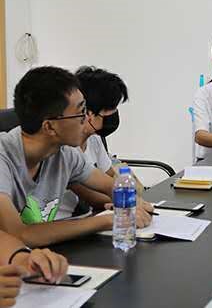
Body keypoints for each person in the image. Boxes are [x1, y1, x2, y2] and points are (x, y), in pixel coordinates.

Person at [0, 66, 154, 247]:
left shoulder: (65, 153)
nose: (86, 120)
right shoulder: (4, 157)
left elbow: (112, 187)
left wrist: (133, 203)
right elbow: (20, 234)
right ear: (50, 127)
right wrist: (107, 220)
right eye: (81, 113)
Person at [57, 66, 143, 220]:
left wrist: (131, 193)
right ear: (88, 112)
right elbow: (95, 198)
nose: (114, 113)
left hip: (91, 217)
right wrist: (128, 199)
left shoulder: (94, 139)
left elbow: (112, 178)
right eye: (111, 108)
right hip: (67, 223)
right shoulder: (65, 148)